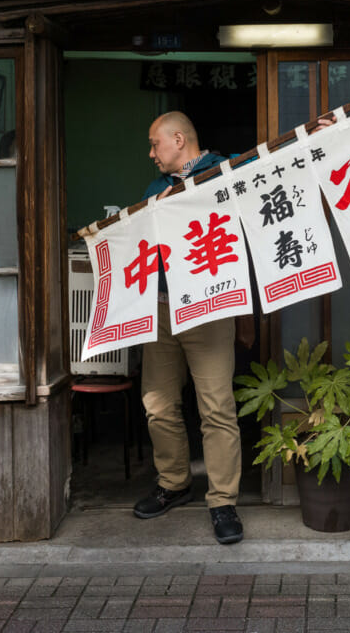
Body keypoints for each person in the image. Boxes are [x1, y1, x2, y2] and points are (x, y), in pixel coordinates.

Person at [131, 110, 245, 545]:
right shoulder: (154, 190)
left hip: (209, 307)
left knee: (216, 406)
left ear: (178, 140)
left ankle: (223, 502)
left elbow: (270, 164)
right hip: (160, 309)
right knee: (158, 403)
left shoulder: (226, 169)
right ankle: (174, 483)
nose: (151, 153)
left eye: (155, 144)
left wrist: (318, 135)